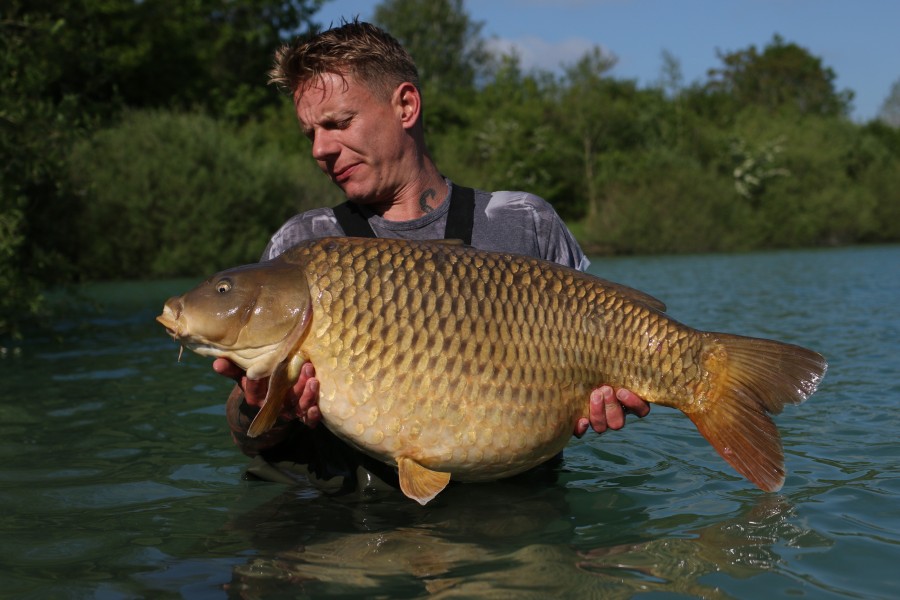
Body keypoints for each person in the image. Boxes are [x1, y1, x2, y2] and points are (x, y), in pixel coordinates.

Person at [215, 20, 650, 495]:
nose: (321, 149)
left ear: (405, 105)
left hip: (506, 517)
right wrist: (260, 405)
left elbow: (604, 353)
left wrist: (607, 396)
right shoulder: (302, 245)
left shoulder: (525, 222)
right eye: (310, 134)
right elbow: (248, 440)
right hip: (349, 526)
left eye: (339, 123)